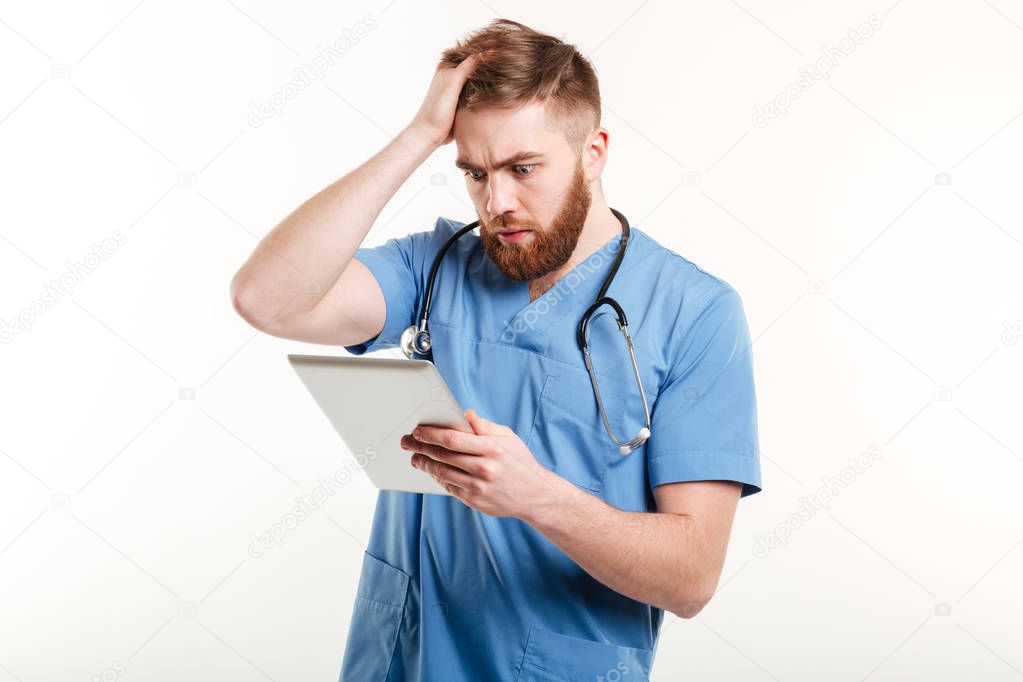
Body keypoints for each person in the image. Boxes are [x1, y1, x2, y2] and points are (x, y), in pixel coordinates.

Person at [231, 18, 762, 682]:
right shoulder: (439, 262)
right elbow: (266, 298)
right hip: (402, 657)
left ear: (593, 153)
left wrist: (534, 495)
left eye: (522, 168)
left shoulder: (696, 312)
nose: (497, 201)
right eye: (474, 173)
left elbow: (691, 577)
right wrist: (419, 135)